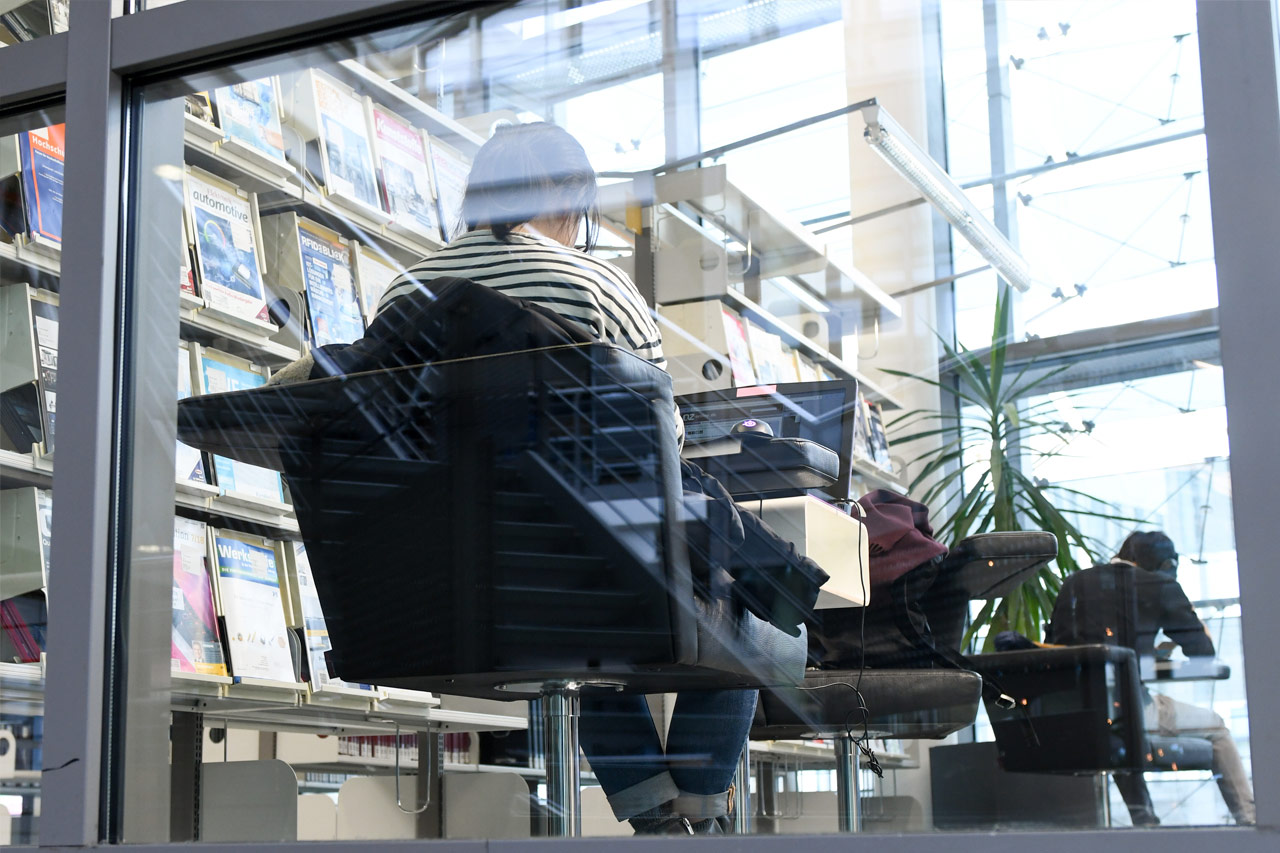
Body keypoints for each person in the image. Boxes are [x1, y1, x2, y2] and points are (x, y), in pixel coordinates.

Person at [273, 121, 818, 835]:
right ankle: (693, 818)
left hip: (440, 598)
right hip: (587, 591)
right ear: (565, 194)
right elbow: (661, 450)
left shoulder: (403, 294)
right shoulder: (600, 286)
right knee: (753, 621)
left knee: (566, 612)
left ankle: (658, 812)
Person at [1046, 530, 1255, 826]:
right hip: (1127, 711)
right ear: (1168, 564)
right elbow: (1203, 651)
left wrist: (1145, 650)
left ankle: (1144, 819)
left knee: (1117, 721)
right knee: (1217, 728)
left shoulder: (1075, 582)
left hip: (1076, 712)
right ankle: (1250, 821)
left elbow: (1057, 647)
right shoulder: (1160, 584)